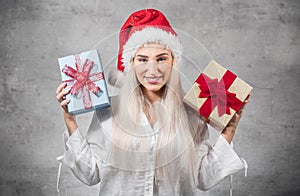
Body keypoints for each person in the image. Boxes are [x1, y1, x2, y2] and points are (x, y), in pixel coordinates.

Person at [56, 8, 250, 196]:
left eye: (161, 59)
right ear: (130, 64)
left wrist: (229, 131)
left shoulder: (192, 113)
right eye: (142, 59)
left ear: (174, 62)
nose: (153, 69)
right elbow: (91, 174)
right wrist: (70, 121)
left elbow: (203, 178)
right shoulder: (108, 112)